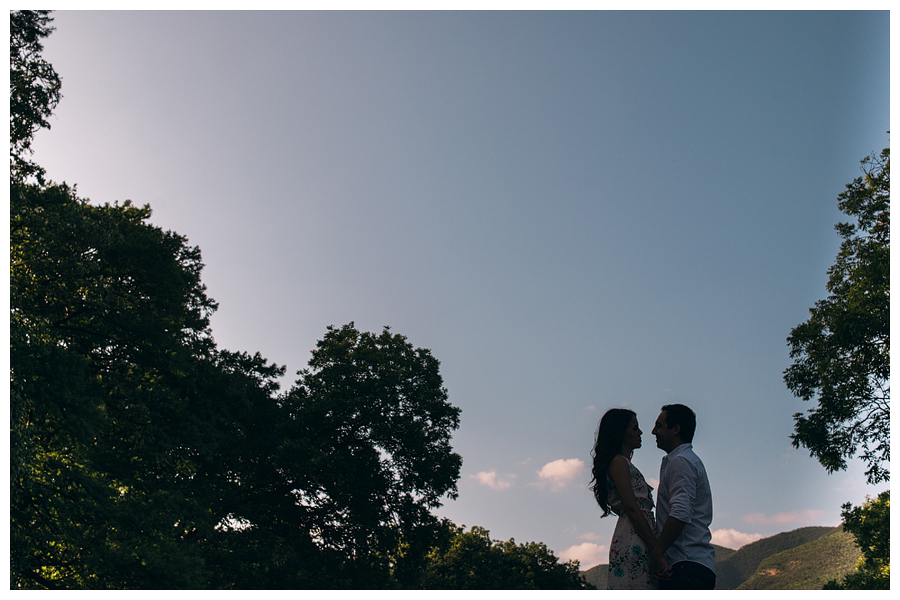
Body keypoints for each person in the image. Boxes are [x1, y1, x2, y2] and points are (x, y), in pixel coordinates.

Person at [590, 408, 658, 589]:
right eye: (635, 428)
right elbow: (632, 509)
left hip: (637, 532)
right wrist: (657, 549)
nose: (641, 432)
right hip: (634, 535)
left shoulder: (622, 463)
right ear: (621, 432)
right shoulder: (618, 462)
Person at [650, 403, 716, 590]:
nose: (653, 431)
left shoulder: (681, 462)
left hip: (686, 565)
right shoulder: (684, 460)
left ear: (676, 429)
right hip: (689, 565)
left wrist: (658, 553)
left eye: (659, 425)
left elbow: (681, 510)